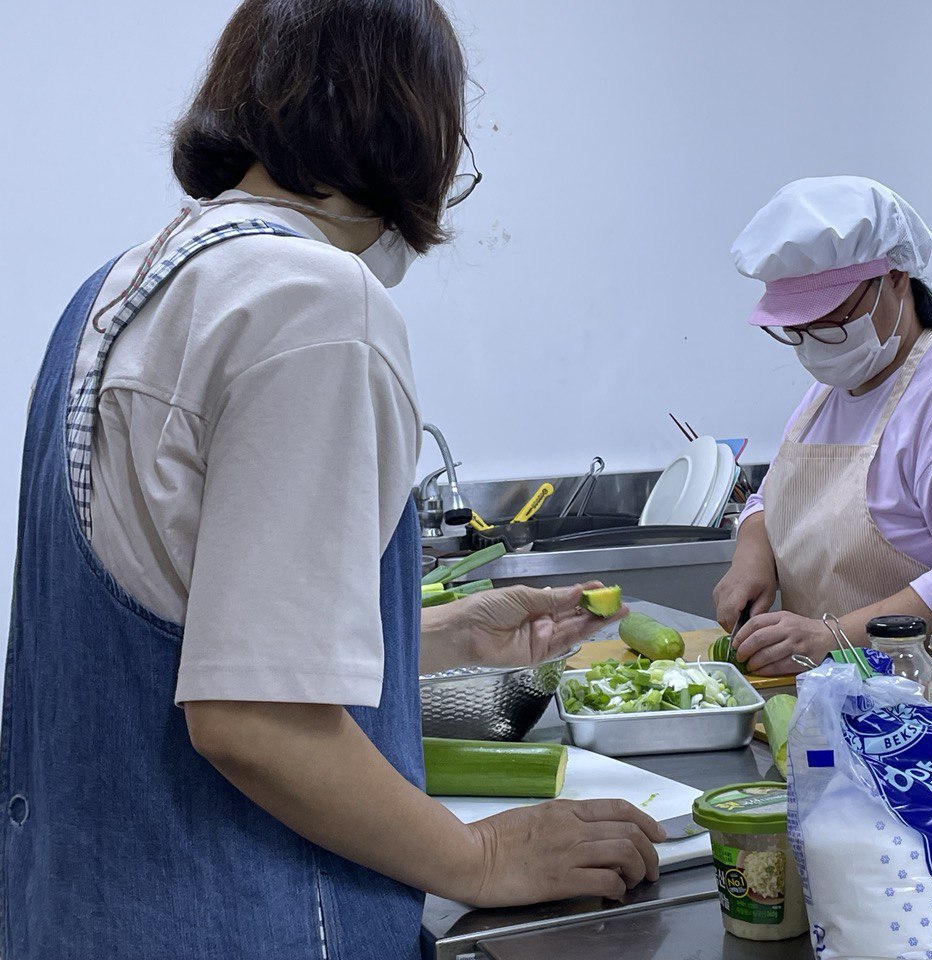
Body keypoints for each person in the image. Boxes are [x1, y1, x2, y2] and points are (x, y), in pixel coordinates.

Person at [3, 3, 661, 957]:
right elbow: (252, 722)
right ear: (412, 128)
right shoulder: (314, 302)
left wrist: (440, 636)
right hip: (242, 919)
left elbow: (186, 626)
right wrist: (479, 858)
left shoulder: (116, 291)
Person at [713, 177, 932, 675]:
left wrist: (834, 636)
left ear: (896, 277)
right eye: (796, 330)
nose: (813, 343)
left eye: (831, 319)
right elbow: (770, 497)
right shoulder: (830, 392)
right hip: (831, 689)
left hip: (924, 699)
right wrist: (752, 554)